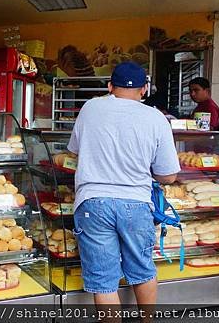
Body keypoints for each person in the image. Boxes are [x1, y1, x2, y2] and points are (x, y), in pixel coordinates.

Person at [67, 61, 180, 322]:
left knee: (104, 280)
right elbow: (169, 175)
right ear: (144, 90)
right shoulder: (155, 117)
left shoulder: (91, 107)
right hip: (136, 203)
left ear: (109, 86)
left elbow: (74, 151)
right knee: (142, 270)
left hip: (92, 203)